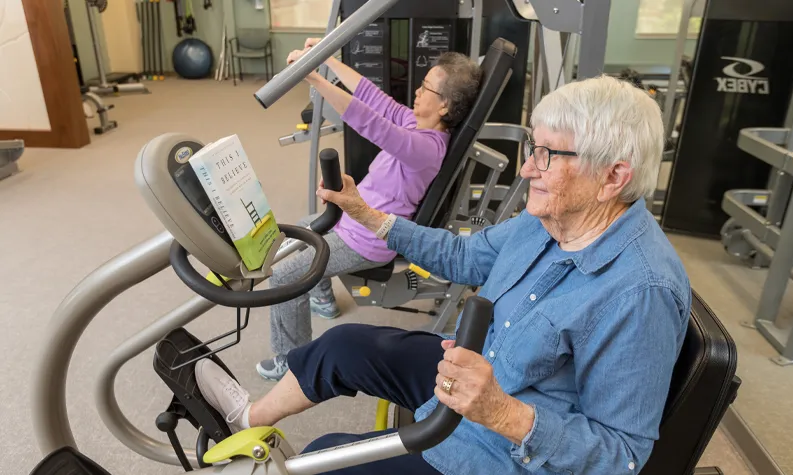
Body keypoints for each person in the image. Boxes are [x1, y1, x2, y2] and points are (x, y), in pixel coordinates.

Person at [196, 75, 691, 475]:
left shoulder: (639, 292)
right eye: (532, 149)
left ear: (613, 177)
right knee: (340, 344)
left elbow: (622, 456)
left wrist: (503, 412)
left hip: (497, 448)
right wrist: (368, 215)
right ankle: (248, 420)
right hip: (473, 371)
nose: (526, 170)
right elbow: (461, 254)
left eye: (548, 155)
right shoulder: (548, 220)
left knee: (324, 457)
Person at [258, 39, 482, 380]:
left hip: (366, 239)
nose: (417, 91)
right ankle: (322, 299)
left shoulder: (425, 147)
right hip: (351, 218)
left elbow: (369, 123)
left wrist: (314, 79)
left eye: (426, 88)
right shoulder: (414, 122)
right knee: (303, 229)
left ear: (445, 106)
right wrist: (328, 59)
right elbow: (372, 98)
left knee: (285, 275)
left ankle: (292, 361)